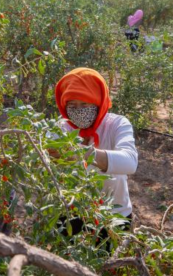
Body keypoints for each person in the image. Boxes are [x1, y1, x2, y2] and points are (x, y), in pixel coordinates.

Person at [53, 68, 138, 238]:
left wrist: (82, 153)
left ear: (98, 102)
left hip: (112, 216)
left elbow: (130, 162)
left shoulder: (117, 124)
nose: (79, 111)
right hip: (72, 211)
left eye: (85, 104)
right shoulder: (61, 127)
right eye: (72, 106)